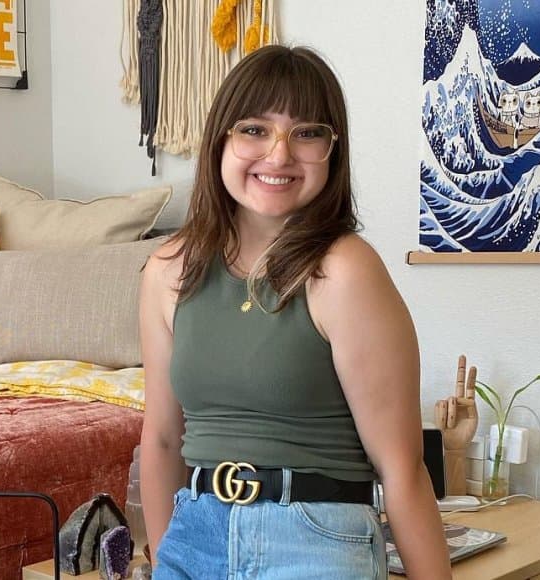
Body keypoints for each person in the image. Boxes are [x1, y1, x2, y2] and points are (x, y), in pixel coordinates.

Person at [138, 45, 452, 579]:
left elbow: (401, 468)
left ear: (333, 150)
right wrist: (168, 553)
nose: (279, 155)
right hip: (194, 533)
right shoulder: (168, 269)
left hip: (312, 539)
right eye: (254, 129)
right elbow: (163, 439)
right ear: (221, 139)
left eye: (307, 133)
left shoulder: (345, 270)